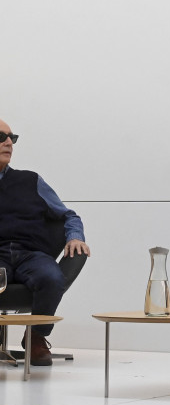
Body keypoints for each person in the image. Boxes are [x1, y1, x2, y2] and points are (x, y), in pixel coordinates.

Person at [0, 117, 91, 366]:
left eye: (12, 138)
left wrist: (74, 237)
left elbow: (68, 215)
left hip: (31, 253)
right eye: (1, 137)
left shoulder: (31, 180)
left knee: (51, 278)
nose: (9, 142)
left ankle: (36, 337)